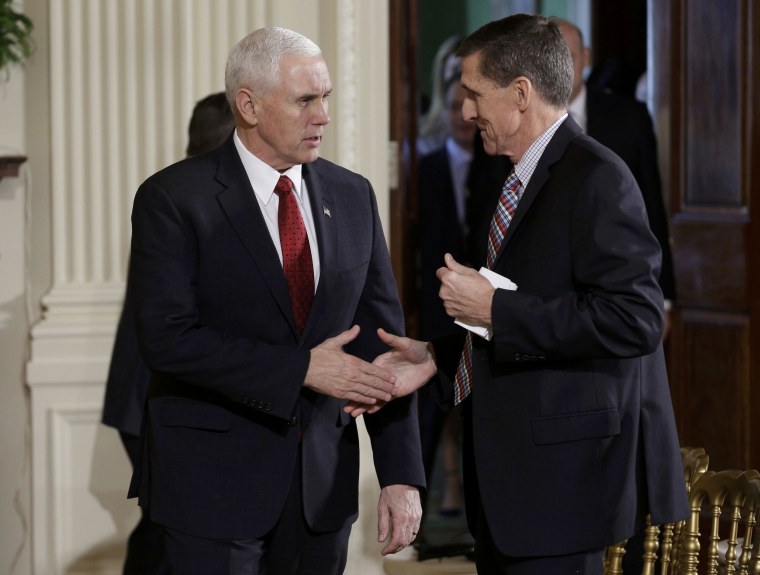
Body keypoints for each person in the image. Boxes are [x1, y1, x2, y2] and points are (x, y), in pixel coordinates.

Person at [352, 13, 689, 575]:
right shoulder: (509, 176)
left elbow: (635, 319)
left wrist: (494, 308)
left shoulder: (597, 176)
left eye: (473, 95)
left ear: (522, 93)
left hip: (567, 488)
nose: (464, 112)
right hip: (518, 487)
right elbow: (514, 317)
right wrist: (436, 358)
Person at [125, 26, 426, 574]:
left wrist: (401, 474)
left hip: (321, 490)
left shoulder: (352, 195)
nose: (323, 116)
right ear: (249, 105)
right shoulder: (173, 199)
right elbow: (167, 340)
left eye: (326, 97)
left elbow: (386, 348)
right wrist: (302, 369)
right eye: (305, 100)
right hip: (211, 487)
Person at [101, 91, 234, 575]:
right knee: (171, 537)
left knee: (165, 533)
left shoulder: (179, 192)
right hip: (157, 397)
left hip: (147, 396)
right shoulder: (186, 201)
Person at [552, 17, 677, 336]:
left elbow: (650, 208)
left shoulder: (629, 118)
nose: (563, 69)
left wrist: (662, 298)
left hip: (615, 288)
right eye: (553, 59)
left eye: (570, 57)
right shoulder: (516, 120)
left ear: (587, 57)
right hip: (544, 298)